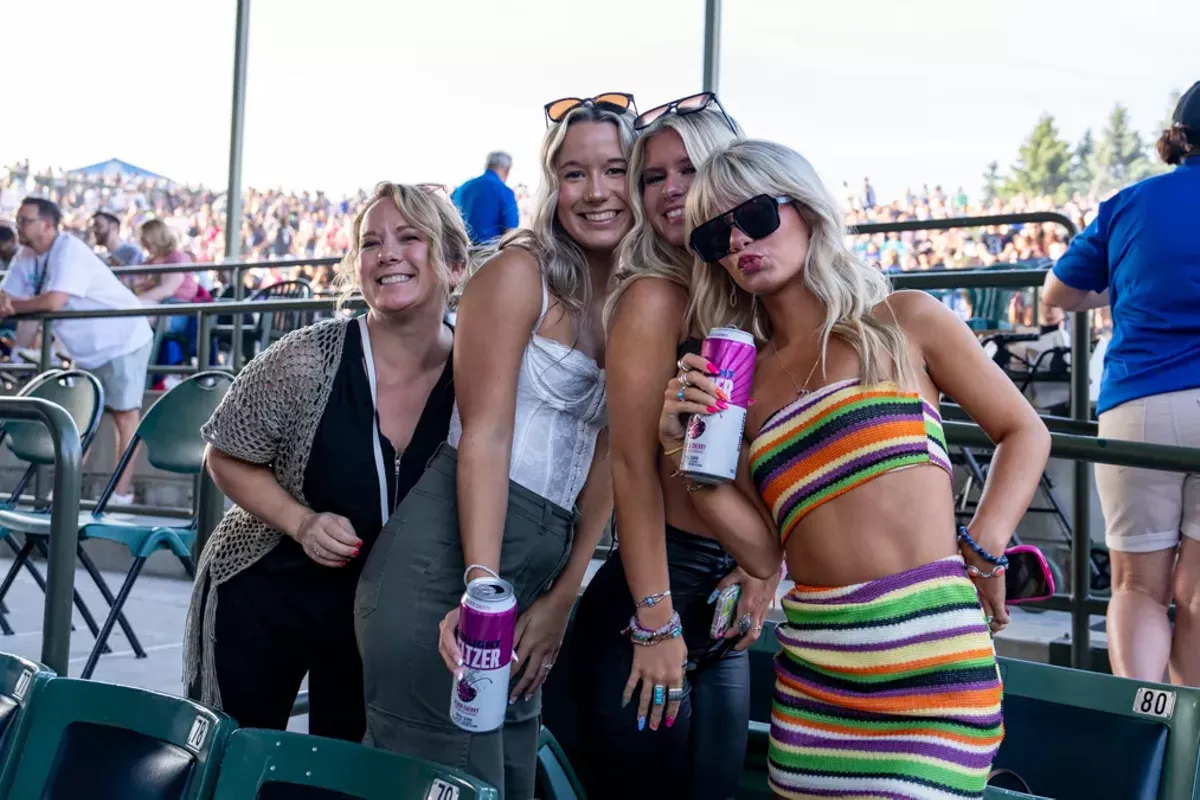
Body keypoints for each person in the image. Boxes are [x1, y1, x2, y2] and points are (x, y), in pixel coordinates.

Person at [659, 139, 1049, 799]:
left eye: (754, 215)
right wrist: (682, 451)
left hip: (934, 670)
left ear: (805, 206)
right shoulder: (740, 386)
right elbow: (762, 554)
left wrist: (984, 547)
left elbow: (1024, 430)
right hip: (818, 679)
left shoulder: (905, 323)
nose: (737, 241)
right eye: (712, 235)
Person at [356, 94, 636, 798]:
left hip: (538, 564)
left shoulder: (644, 297)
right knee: (439, 783)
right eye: (574, 173)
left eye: (615, 169)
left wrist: (563, 594)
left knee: (504, 779)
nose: (596, 191)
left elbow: (614, 458)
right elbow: (483, 434)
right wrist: (484, 587)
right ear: (551, 186)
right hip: (449, 564)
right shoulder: (519, 274)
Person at [182, 182, 468, 741]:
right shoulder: (307, 357)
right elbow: (224, 454)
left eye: (409, 237)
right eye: (370, 242)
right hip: (266, 592)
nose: (387, 253)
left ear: (455, 265)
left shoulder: (479, 372)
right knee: (233, 756)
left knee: (341, 773)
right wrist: (302, 521)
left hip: (382, 618)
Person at [566, 92, 767, 800]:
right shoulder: (655, 297)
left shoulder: (756, 291)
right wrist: (654, 620)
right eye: (653, 177)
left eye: (689, 168)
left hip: (724, 596)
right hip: (656, 597)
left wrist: (761, 569)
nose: (672, 189)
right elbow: (630, 463)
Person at [1041, 81, 1200, 685]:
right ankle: (1192, 745)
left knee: (1137, 584)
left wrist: (1125, 289)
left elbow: (1057, 293)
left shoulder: (1133, 200)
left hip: (1142, 401)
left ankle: (1148, 722)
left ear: (1178, 137)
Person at [3, 196, 154, 504]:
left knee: (124, 415)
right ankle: (65, 492)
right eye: (18, 220)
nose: (17, 226)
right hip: (85, 348)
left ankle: (119, 495)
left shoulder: (68, 250)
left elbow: (53, 301)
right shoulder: (25, 256)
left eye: (24, 220)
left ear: (47, 225)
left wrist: (11, 307)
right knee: (81, 417)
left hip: (122, 337)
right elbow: (6, 295)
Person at [453, 151, 521, 245]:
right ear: (507, 169)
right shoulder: (504, 191)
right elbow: (511, 231)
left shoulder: (462, 188)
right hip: (490, 253)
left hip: (463, 252)